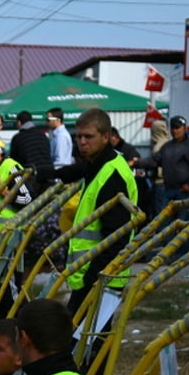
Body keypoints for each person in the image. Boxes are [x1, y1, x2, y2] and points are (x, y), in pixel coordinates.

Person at [56, 108, 139, 313]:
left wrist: (92, 277)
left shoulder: (112, 176)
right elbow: (77, 171)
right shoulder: (97, 164)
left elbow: (117, 236)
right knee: (86, 339)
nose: (82, 141)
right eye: (79, 136)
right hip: (91, 273)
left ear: (105, 137)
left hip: (101, 275)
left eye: (89, 136)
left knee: (86, 339)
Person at [137, 115, 189, 206]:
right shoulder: (167, 146)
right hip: (169, 190)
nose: (174, 130)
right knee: (166, 219)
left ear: (184, 128)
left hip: (185, 193)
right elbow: (154, 160)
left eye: (177, 127)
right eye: (173, 127)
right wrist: (136, 162)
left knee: (184, 219)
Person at [8, 110, 53, 191]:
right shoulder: (43, 135)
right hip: (49, 175)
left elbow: (14, 162)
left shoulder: (17, 138)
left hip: (32, 177)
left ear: (19, 122)